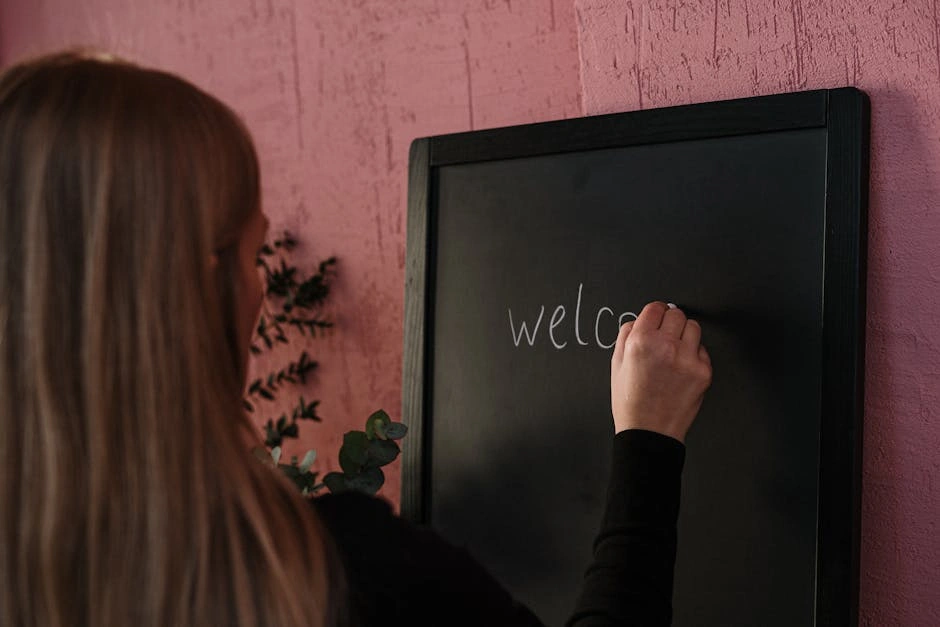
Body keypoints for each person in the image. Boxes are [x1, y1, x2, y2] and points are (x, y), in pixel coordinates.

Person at [0, 52, 711, 627]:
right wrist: (649, 440)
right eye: (252, 258)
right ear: (195, 293)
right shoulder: (331, 573)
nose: (261, 288)